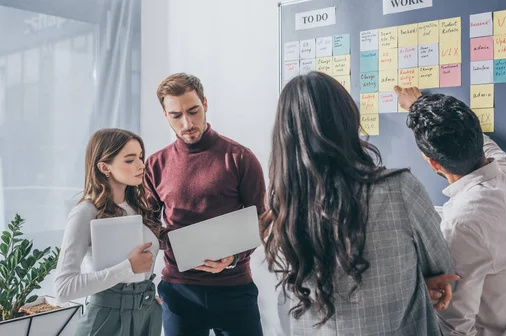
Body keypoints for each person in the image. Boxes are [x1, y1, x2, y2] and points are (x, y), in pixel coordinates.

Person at [261, 72, 457, 336]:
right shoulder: (399, 188)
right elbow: (444, 271)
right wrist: (422, 281)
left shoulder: (283, 210)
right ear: (348, 120)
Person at [395, 86, 506, 336]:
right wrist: (419, 106)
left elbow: (455, 325)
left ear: (433, 163)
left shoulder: (462, 225)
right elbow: (486, 146)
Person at [145, 73, 266, 336]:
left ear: (205, 104)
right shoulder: (155, 165)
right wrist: (176, 244)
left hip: (234, 288)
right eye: (176, 115)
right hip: (179, 291)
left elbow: (262, 221)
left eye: (193, 111)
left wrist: (233, 258)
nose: (187, 123)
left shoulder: (239, 158)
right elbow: (147, 223)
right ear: (165, 115)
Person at [55, 128, 162, 336]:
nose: (141, 165)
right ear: (104, 167)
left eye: (140, 157)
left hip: (147, 313)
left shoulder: (138, 207)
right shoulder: (85, 213)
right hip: (107, 319)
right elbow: (63, 289)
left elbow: (144, 269)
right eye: (130, 160)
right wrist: (128, 267)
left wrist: (144, 294)